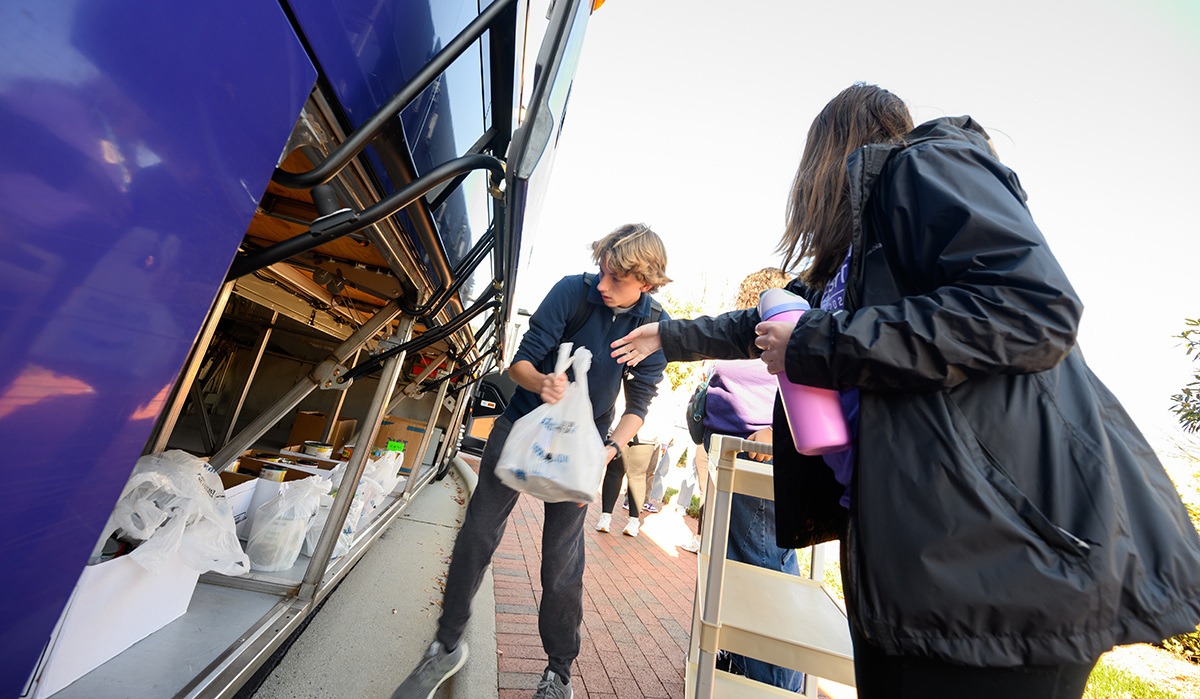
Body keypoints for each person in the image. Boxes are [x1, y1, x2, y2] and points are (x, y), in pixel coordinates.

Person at [612, 83, 1200, 699]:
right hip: (923, 563)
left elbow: (1032, 309)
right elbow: (772, 322)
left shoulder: (924, 163)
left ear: (829, 153)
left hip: (1004, 567)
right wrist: (668, 334)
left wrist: (816, 344)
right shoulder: (859, 264)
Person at [391, 223, 671, 699]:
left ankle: (558, 671)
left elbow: (639, 404)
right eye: (601, 270)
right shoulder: (573, 292)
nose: (601, 283)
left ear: (645, 283)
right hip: (522, 428)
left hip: (581, 448)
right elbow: (519, 363)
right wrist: (541, 383)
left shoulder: (653, 327)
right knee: (479, 530)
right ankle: (446, 643)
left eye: (616, 279)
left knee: (561, 558)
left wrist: (608, 451)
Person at [699, 267, 804, 691]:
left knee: (762, 583)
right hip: (743, 466)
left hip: (758, 464)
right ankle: (756, 676)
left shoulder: (778, 333)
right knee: (756, 575)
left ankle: (773, 686)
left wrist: (773, 436)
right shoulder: (765, 339)